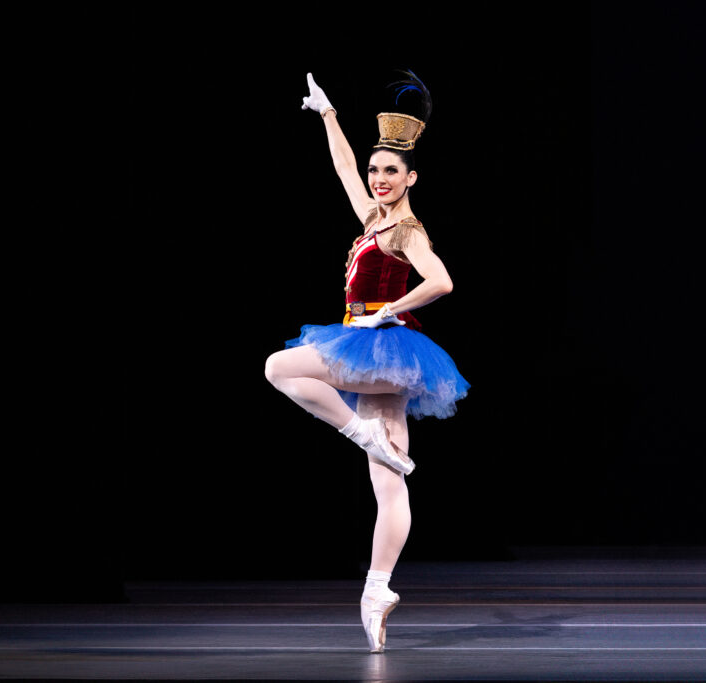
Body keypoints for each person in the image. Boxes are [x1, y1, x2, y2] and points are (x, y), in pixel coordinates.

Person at [264, 71, 469, 653]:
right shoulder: (371, 217)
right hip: (377, 351)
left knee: (279, 368)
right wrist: (329, 116)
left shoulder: (404, 228)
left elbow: (442, 281)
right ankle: (378, 591)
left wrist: (391, 310)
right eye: (377, 171)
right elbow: (344, 170)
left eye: (390, 172)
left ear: (411, 178)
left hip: (385, 344)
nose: (378, 179)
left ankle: (361, 435)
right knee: (390, 480)